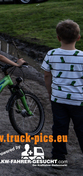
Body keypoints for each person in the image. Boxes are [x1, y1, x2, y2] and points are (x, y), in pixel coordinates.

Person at [41, 19, 83, 162]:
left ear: (58, 38)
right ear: (78, 37)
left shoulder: (51, 54)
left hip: (58, 98)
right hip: (79, 101)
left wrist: (50, 92)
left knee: (59, 128)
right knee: (81, 129)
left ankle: (59, 158)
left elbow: (47, 74)